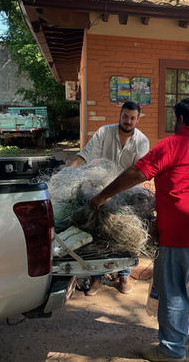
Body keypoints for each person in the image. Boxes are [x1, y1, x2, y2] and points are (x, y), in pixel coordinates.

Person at [89, 98, 189, 362]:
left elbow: (136, 173)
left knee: (174, 289)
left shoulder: (173, 144)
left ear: (180, 120)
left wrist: (102, 196)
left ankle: (171, 349)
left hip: (183, 231)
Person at [70, 100, 149, 295]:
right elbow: (85, 156)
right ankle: (97, 277)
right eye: (125, 116)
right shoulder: (104, 132)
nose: (128, 121)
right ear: (120, 115)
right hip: (101, 190)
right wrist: (66, 174)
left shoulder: (142, 141)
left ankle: (123, 274)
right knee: (98, 230)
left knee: (128, 233)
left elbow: (139, 172)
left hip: (128, 193)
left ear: (138, 120)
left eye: (132, 118)